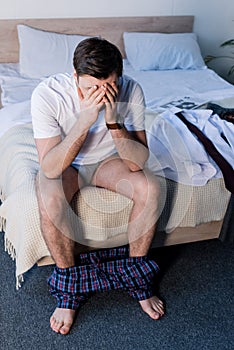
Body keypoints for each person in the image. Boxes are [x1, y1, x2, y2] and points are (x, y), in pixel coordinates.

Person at [31, 37, 164, 335]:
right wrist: (84, 121)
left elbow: (137, 163)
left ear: (120, 76)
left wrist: (114, 122)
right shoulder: (48, 94)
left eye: (110, 84)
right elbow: (50, 167)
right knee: (48, 195)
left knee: (151, 187)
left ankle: (137, 277)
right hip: (67, 164)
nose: (102, 93)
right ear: (75, 76)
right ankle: (68, 290)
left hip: (108, 162)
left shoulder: (131, 89)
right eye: (92, 87)